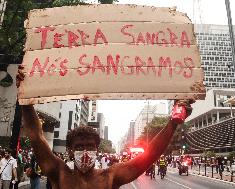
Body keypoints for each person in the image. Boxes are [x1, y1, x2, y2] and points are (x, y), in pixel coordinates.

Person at [17, 66, 193, 189]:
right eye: (79, 147)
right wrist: (25, 97)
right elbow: (35, 136)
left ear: (97, 149)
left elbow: (149, 156)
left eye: (89, 146)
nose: (85, 152)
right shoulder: (59, 173)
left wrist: (173, 123)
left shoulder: (109, 177)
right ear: (70, 151)